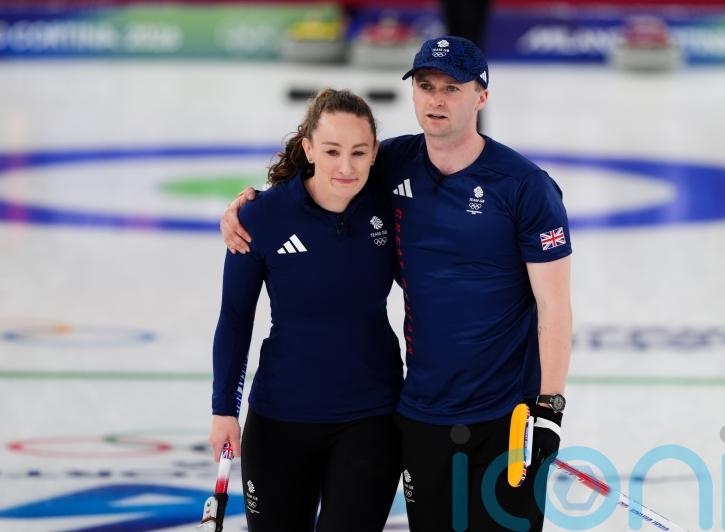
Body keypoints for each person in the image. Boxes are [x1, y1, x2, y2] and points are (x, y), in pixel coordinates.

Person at [222, 37, 572, 532]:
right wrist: (252, 204)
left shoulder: (525, 187)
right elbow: (328, 171)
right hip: (421, 414)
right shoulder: (392, 163)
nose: (436, 99)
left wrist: (549, 410)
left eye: (452, 88)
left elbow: (555, 308)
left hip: (506, 416)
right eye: (426, 86)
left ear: (482, 96)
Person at [208, 89, 403, 532]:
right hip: (279, 420)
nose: (346, 166)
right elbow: (236, 317)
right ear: (309, 148)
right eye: (332, 151)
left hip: (371, 419)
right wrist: (224, 409)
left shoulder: (391, 206)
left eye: (359, 152)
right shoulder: (259, 217)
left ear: (375, 152)